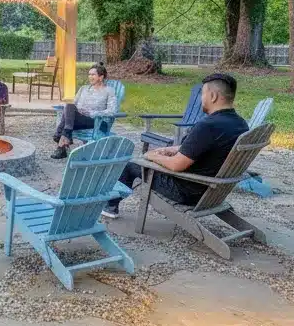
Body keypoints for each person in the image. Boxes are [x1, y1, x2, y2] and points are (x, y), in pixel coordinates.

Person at [101, 72, 248, 219]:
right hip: (214, 191)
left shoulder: (208, 125)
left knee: (131, 165)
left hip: (188, 191)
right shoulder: (239, 124)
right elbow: (211, 147)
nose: (201, 99)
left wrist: (151, 156)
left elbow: (177, 165)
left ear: (213, 96)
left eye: (203, 94)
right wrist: (172, 150)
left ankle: (110, 206)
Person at [51, 63, 116, 159]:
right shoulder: (83, 89)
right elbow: (73, 105)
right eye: (89, 74)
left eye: (93, 74)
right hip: (82, 119)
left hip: (97, 121)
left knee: (67, 113)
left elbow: (112, 111)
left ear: (101, 77)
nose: (90, 77)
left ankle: (60, 140)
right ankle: (66, 134)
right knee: (69, 106)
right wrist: (79, 110)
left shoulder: (109, 91)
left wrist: (93, 113)